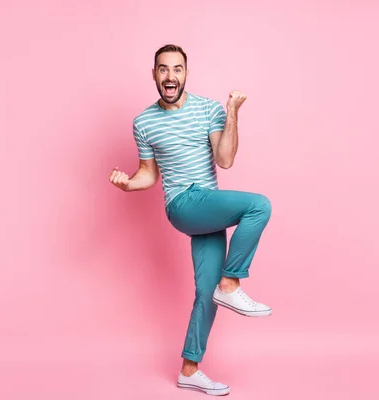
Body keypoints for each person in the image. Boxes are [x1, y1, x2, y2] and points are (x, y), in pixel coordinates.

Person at [108, 44, 273, 396]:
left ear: (186, 73)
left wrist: (231, 111)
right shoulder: (143, 122)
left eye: (177, 69)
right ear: (154, 74)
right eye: (163, 69)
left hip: (207, 205)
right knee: (258, 205)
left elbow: (224, 160)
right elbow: (148, 175)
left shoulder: (209, 109)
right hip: (183, 203)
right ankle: (232, 284)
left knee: (205, 294)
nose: (170, 76)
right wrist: (127, 184)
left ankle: (189, 369)